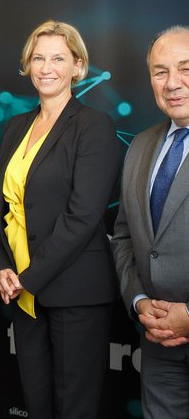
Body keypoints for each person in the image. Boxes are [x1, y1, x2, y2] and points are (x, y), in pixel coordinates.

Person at [0, 20, 121, 419]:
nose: (47, 67)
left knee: (73, 407)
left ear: (78, 66)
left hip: (74, 292)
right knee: (36, 403)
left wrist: (26, 277)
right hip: (23, 294)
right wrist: (0, 270)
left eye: (58, 58)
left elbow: (83, 217)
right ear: (27, 64)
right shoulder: (15, 128)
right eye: (38, 58)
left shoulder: (94, 127)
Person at [111, 25, 189, 418]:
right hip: (157, 341)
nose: (172, 83)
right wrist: (139, 301)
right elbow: (125, 235)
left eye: (186, 68)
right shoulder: (141, 145)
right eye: (160, 72)